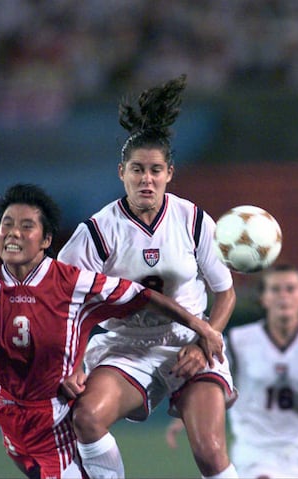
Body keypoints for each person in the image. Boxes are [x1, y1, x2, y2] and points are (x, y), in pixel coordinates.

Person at [0, 183, 224, 479]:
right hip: (16, 423)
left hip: (60, 419)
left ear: (46, 239)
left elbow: (142, 296)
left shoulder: (71, 284)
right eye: (6, 225)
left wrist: (200, 327)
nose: (13, 233)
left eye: (26, 226)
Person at [58, 75, 239, 479]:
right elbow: (64, 304)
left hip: (187, 341)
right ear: (121, 172)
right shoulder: (97, 232)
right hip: (127, 345)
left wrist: (203, 339)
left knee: (210, 453)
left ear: (170, 173)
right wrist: (71, 363)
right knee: (86, 418)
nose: (147, 179)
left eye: (156, 170)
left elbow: (225, 293)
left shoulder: (192, 220)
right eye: (137, 170)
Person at [166, 265, 298, 479]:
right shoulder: (240, 342)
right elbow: (210, 381)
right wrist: (186, 419)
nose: (283, 296)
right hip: (256, 453)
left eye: (290, 289)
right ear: (263, 298)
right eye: (275, 290)